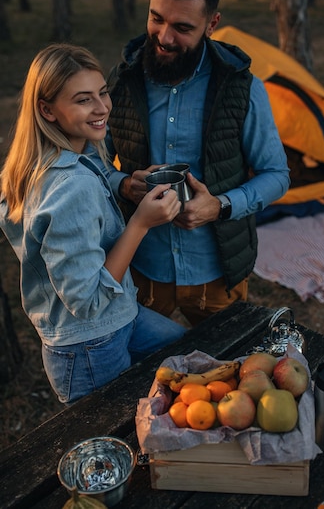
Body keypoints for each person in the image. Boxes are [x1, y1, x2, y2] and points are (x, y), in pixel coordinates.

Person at [106, 0, 290, 326]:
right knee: (137, 380)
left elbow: (277, 174)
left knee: (226, 374)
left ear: (212, 23)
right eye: (156, 18)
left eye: (183, 27)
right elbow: (89, 158)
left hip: (216, 274)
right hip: (140, 267)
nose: (164, 37)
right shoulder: (121, 81)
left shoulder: (242, 88)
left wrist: (219, 206)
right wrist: (123, 184)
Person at [0, 44, 186, 405]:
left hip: (118, 319)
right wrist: (141, 224)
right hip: (89, 345)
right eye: (84, 100)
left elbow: (92, 167)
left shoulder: (39, 160)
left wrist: (123, 183)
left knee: (187, 350)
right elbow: (86, 300)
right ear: (47, 110)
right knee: (116, 438)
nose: (102, 108)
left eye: (103, 92)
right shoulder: (71, 188)